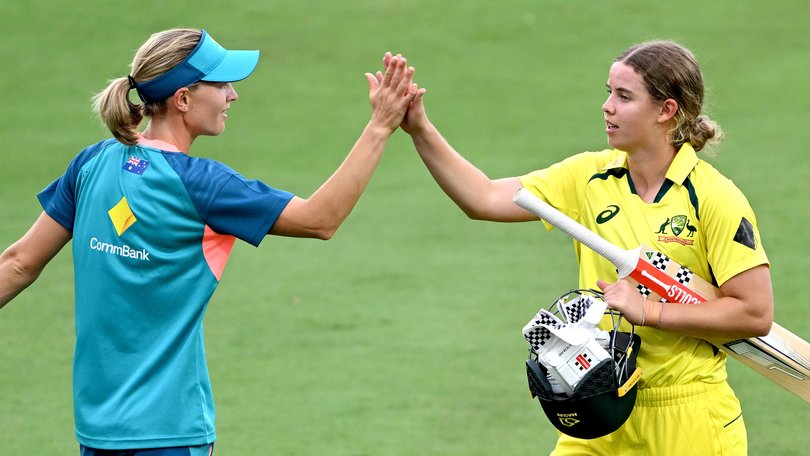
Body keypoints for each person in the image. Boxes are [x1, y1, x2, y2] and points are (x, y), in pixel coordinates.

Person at [0, 28, 418, 455]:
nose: (232, 95)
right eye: (221, 84)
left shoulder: (91, 164)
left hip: (98, 431)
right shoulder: (203, 186)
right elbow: (321, 220)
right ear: (183, 99)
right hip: (172, 432)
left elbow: (17, 264)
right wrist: (380, 127)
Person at [398, 41, 773, 455]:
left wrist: (652, 312)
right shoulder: (588, 177)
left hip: (688, 420)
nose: (607, 106)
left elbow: (754, 312)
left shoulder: (714, 198)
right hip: (600, 406)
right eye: (608, 92)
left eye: (624, 96)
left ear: (666, 110)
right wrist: (421, 130)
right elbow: (484, 198)